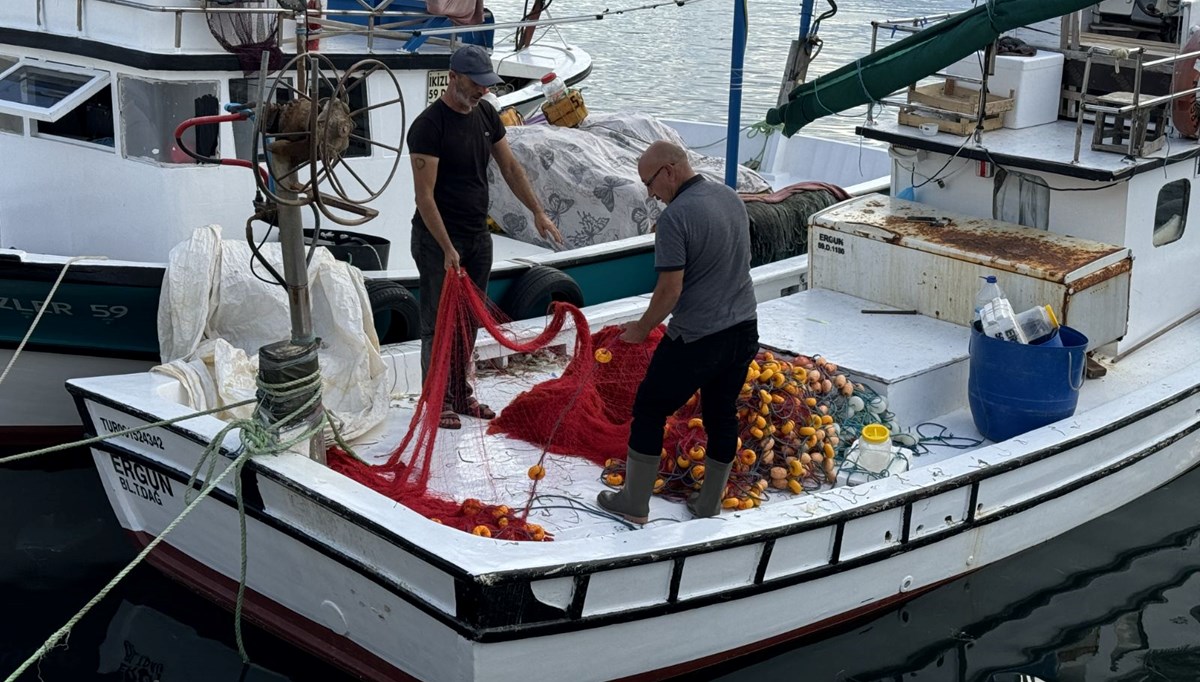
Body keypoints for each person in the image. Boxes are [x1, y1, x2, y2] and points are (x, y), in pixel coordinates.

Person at [598, 141, 759, 522]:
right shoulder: (730, 197)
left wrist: (640, 329)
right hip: (744, 329)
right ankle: (709, 504)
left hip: (698, 338)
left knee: (650, 408)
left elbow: (670, 291)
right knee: (722, 411)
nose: (651, 194)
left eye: (649, 183)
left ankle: (634, 504)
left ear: (669, 171)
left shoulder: (675, 218)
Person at [408, 44, 563, 430]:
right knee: (437, 323)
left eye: (487, 85)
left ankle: (460, 394)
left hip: (477, 236)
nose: (483, 91)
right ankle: (437, 398)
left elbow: (509, 166)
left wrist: (537, 211)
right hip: (436, 239)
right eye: (476, 85)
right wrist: (446, 248)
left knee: (470, 321)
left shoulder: (486, 115)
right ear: (454, 78)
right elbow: (424, 197)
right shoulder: (429, 126)